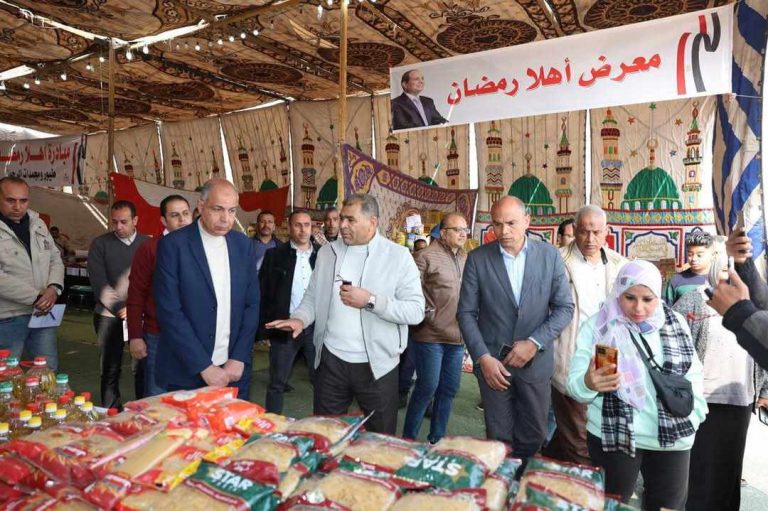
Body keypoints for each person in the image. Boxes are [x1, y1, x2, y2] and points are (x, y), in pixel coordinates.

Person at [266, 193, 424, 434]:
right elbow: (312, 296)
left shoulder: (398, 257)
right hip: (331, 362)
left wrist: (371, 301)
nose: (342, 225)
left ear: (372, 222)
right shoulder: (327, 253)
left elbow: (416, 311)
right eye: (342, 218)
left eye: (351, 220)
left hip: (377, 366)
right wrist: (300, 318)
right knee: (324, 434)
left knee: (379, 438)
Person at [567, 260, 707, 509]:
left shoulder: (675, 323)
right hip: (613, 435)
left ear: (658, 295)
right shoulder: (599, 326)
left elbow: (693, 375)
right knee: (611, 505)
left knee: (667, 506)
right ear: (618, 292)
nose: (639, 308)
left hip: (672, 437)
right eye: (630, 297)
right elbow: (575, 386)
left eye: (648, 299)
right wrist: (588, 383)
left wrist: (695, 416)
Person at [457, 196, 573, 458]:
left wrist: (534, 343)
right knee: (499, 438)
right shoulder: (478, 259)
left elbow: (564, 308)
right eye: (497, 224)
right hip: (494, 366)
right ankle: (501, 481)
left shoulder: (549, 255)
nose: (504, 231)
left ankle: (523, 479)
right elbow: (465, 313)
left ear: (527, 221)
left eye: (511, 223)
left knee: (534, 435)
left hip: (536, 363)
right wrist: (482, 358)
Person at [673, 247, 767, 511]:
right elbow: (674, 343)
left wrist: (764, 391)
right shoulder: (693, 300)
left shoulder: (753, 305)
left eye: (737, 271)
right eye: (726, 269)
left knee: (729, 470)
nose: (731, 276)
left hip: (740, 398)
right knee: (697, 469)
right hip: (701, 400)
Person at [154, 179, 260, 399]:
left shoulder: (243, 245)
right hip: (187, 370)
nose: (225, 219)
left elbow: (252, 304)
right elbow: (169, 311)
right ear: (201, 206)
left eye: (232, 211)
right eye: (217, 209)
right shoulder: (173, 245)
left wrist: (239, 356)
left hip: (233, 369)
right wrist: (203, 366)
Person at [547, 205, 627, 465]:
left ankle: (542, 464)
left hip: (606, 354)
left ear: (607, 231)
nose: (590, 239)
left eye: (596, 232)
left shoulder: (618, 264)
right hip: (569, 354)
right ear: (575, 229)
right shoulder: (557, 261)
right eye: (583, 231)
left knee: (589, 426)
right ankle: (588, 484)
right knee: (580, 440)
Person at [403, 213, 468, 444]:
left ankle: (436, 439)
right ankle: (408, 440)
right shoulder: (425, 256)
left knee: (449, 389)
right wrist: (427, 314)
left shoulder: (466, 258)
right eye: (458, 229)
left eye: (465, 230)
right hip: (430, 335)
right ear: (443, 233)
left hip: (457, 338)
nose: (463, 234)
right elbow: (409, 290)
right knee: (427, 388)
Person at [126, 195, 192, 398]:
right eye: (175, 215)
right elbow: (136, 294)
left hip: (194, 335)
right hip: (158, 335)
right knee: (158, 394)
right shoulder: (149, 249)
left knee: (191, 395)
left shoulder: (201, 248)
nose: (182, 220)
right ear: (163, 220)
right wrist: (135, 336)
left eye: (185, 214)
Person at [88, 200, 150, 409]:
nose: (118, 227)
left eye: (124, 222)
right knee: (110, 369)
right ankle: (111, 412)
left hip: (140, 317)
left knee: (141, 368)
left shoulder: (148, 244)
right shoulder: (100, 244)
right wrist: (121, 309)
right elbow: (99, 283)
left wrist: (136, 311)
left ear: (135, 220)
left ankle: (143, 411)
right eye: (114, 222)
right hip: (108, 317)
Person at [259, 210, 320, 413]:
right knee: (277, 382)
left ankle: (323, 424)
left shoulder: (323, 256)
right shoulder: (274, 255)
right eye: (297, 225)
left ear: (312, 228)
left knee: (322, 381)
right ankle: (272, 423)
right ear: (289, 227)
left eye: (307, 225)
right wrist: (265, 331)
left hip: (315, 328)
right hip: (284, 327)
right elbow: (264, 292)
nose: (303, 230)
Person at [0, 177, 64, 369]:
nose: (18, 206)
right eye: (10, 200)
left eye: (23, 200)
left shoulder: (38, 223)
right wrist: (37, 297)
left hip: (41, 314)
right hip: (8, 316)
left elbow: (55, 258)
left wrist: (53, 288)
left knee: (47, 371)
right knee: (6, 375)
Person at [665, 232, 714, 305]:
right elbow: (666, 309)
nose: (694, 259)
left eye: (699, 255)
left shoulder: (721, 279)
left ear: (713, 255)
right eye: (690, 254)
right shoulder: (676, 281)